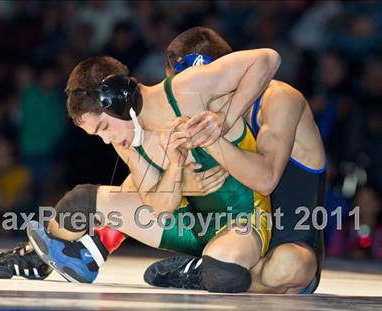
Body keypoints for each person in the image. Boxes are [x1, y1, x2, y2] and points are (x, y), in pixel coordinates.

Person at [27, 43, 280, 294]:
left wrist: (225, 121)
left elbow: (268, 59)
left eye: (103, 128)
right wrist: (176, 167)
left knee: (223, 274)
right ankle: (54, 255)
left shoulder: (183, 90)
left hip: (241, 219)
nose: (106, 140)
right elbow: (161, 209)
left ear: (119, 99)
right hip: (189, 224)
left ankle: (195, 268)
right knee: (79, 200)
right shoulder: (127, 142)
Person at [145, 27, 326, 294]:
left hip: (288, 243)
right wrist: (182, 178)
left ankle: (204, 273)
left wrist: (211, 138)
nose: (184, 99)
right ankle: (218, 269)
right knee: (142, 192)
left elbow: (266, 180)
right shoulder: (197, 116)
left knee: (290, 266)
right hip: (230, 233)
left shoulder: (278, 99)